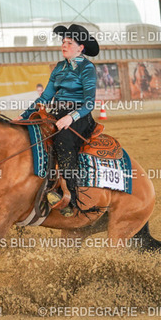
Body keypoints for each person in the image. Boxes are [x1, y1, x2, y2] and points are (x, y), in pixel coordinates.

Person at [20, 24, 99, 216]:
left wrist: (70, 118)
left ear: (80, 48)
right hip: (56, 113)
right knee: (32, 133)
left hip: (79, 116)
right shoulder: (59, 67)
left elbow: (89, 102)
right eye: (63, 42)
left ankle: (70, 198)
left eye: (69, 43)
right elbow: (46, 97)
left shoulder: (87, 68)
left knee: (63, 140)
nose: (64, 45)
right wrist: (24, 116)